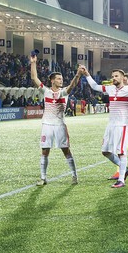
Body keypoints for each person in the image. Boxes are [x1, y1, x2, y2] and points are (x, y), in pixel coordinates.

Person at [82, 66, 128, 188]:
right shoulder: (110, 89)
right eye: (112, 76)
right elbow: (94, 86)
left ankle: (121, 180)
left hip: (122, 126)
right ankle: (125, 169)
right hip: (111, 126)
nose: (113, 78)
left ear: (123, 78)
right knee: (105, 151)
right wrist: (87, 74)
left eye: (116, 76)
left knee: (121, 153)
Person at [30, 55, 82, 186]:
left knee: (66, 150)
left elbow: (71, 86)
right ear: (52, 80)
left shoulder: (64, 92)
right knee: (44, 151)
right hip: (47, 125)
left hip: (59, 125)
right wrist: (33, 63)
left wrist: (77, 75)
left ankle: (74, 175)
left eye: (62, 79)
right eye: (58, 79)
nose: (61, 80)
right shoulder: (46, 91)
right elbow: (34, 78)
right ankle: (43, 178)